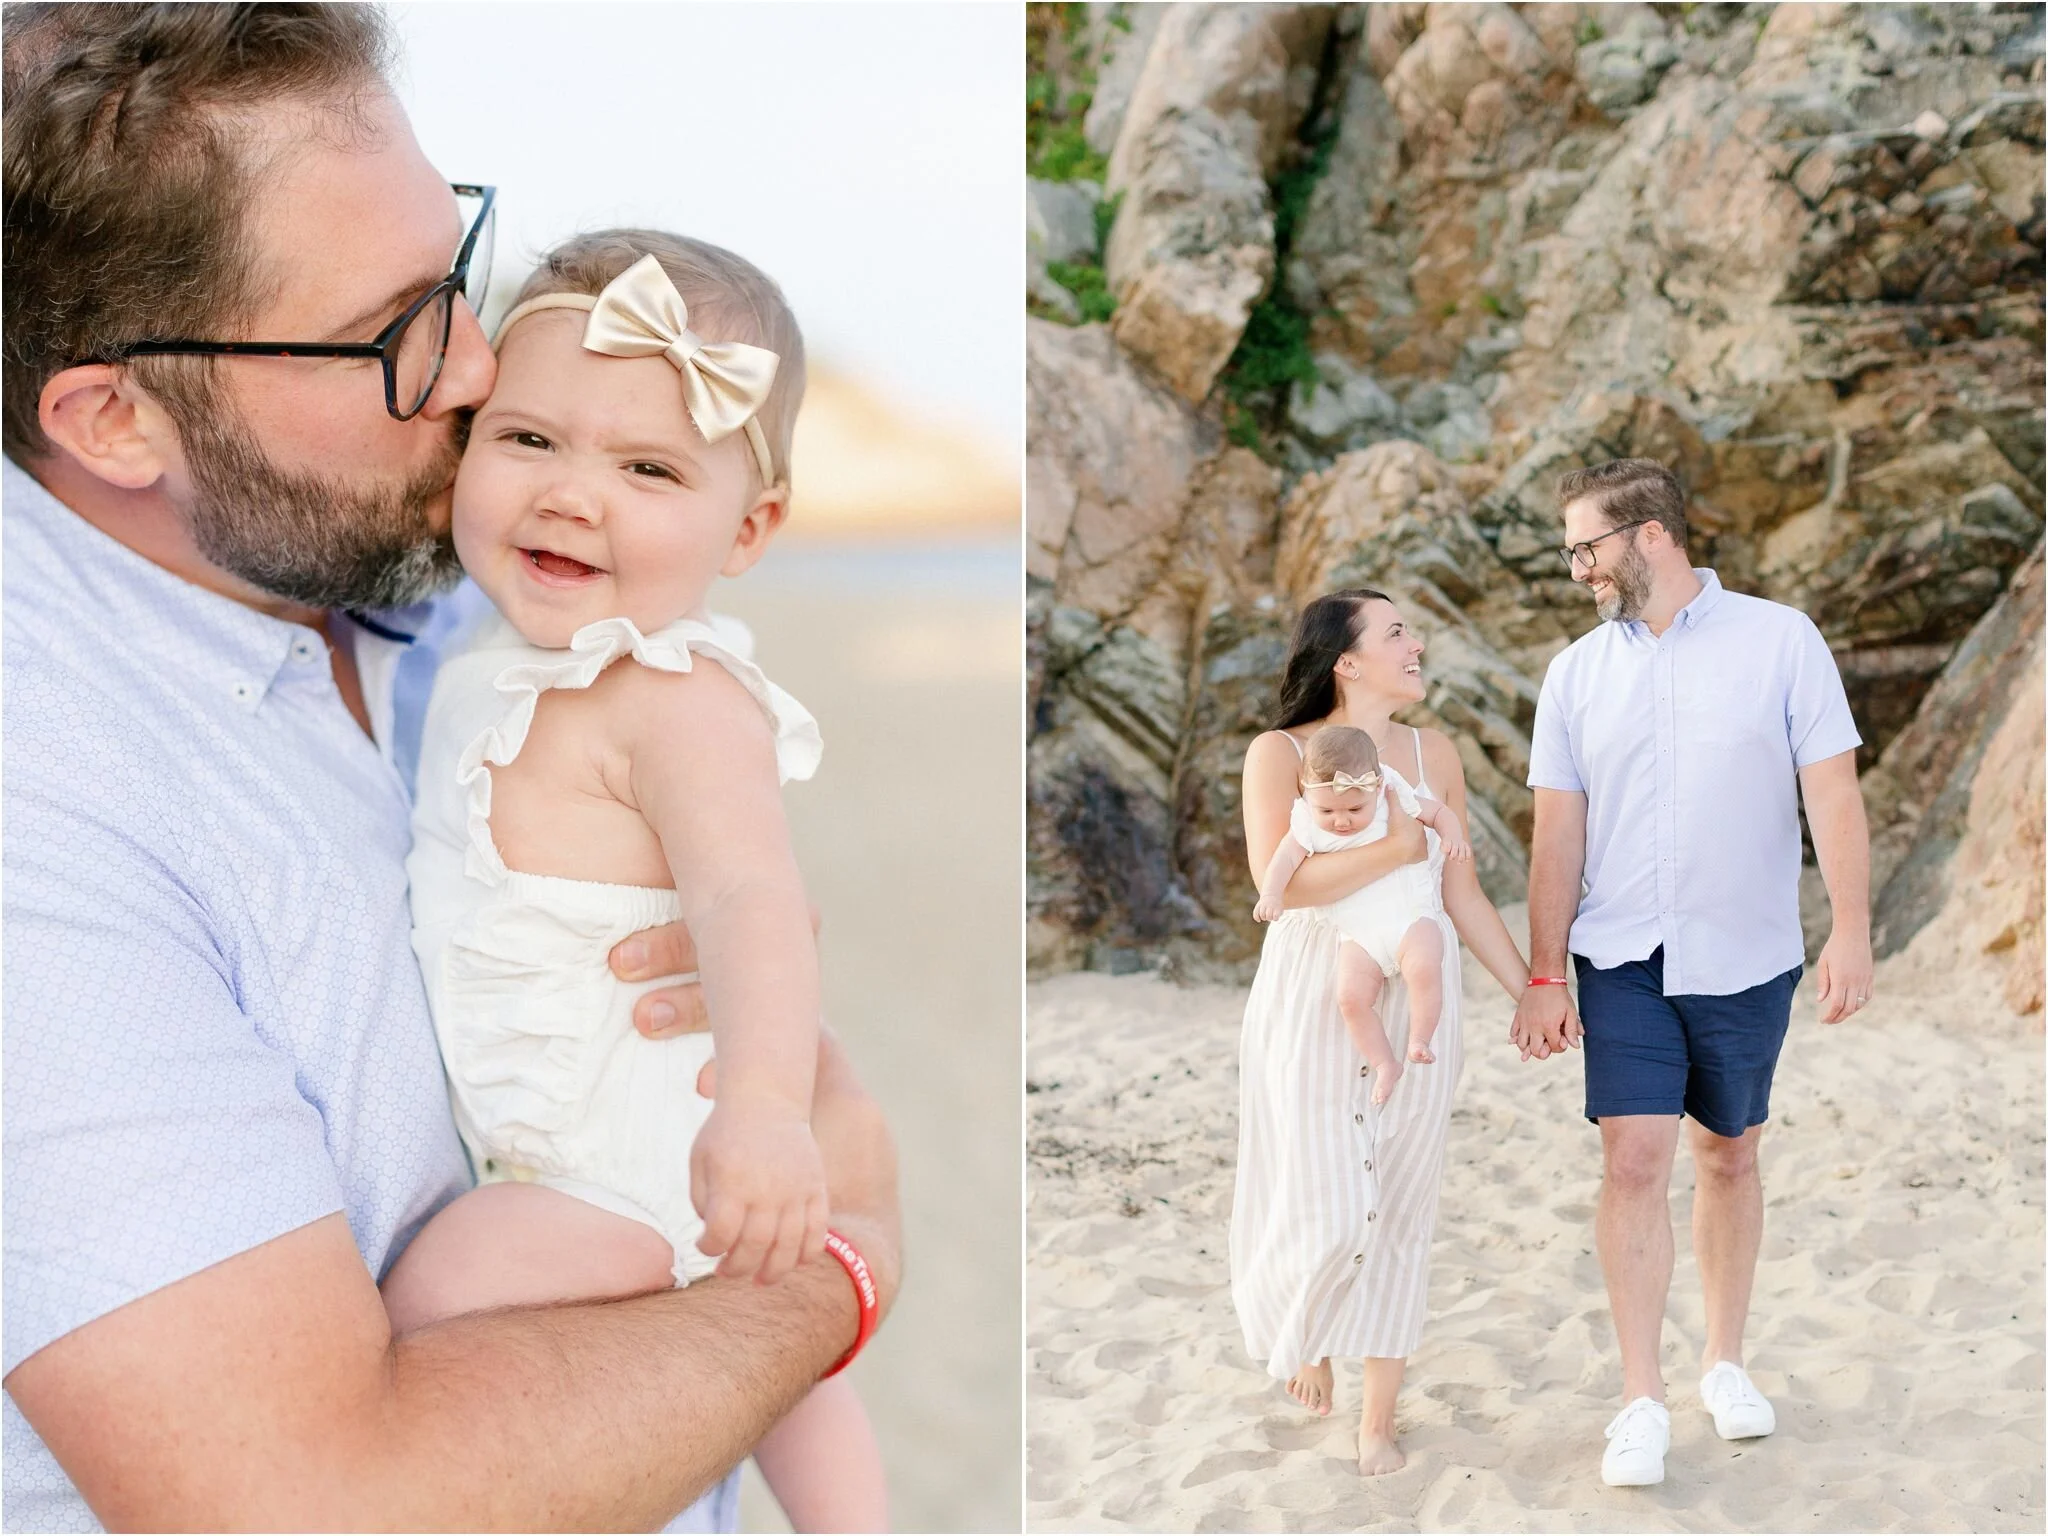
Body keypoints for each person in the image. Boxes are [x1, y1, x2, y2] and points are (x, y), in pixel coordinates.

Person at [1, 7, 899, 1530]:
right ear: (116, 418)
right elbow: (308, 1502)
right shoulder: (46, 803)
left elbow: (724, 880)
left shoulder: (438, 568)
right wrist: (846, 1264)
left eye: (460, 274)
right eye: (395, 328)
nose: (477, 364)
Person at [383, 232, 885, 1532]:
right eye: (530, 441)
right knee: (773, 1352)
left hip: (628, 1159)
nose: (571, 495)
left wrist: (770, 1112)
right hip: (568, 1133)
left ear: (751, 526)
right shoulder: (493, 646)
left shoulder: (675, 698)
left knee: (430, 1304)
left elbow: (752, 901)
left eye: (649, 468)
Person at [1512, 457, 1871, 1488]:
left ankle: (1722, 1361)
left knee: (1727, 1155)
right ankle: (1639, 1397)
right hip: (1617, 951)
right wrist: (1545, 972)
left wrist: (1849, 929)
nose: (1576, 566)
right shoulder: (1576, 673)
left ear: (1651, 536)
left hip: (1747, 950)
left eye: (1586, 544)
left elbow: (1831, 798)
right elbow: (1555, 832)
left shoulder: (1779, 640)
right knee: (1631, 1160)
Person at [1229, 589, 1535, 1475]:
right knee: (1316, 1192)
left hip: (1417, 988)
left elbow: (1463, 890)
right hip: (1313, 990)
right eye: (1397, 631)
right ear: (1346, 661)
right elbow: (1276, 886)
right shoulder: (1277, 753)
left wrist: (1531, 990)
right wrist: (1397, 850)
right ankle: (1307, 1330)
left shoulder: (1433, 752)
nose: (1419, 642)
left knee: (1400, 1204)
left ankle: (1378, 1420)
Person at [1252, 723, 1473, 1103]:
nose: (1341, 820)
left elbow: (1440, 814)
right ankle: (1385, 1062)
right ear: (1308, 796)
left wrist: (1452, 835)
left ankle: (1420, 1038)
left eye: (1355, 808)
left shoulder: (1393, 793)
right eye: (1328, 810)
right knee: (1350, 998)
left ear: (1375, 786)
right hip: (1359, 934)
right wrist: (1272, 893)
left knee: (1423, 967)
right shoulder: (1306, 819)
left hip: (1409, 916)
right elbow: (1284, 858)